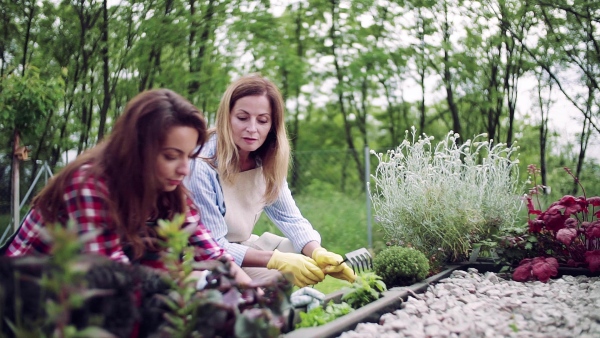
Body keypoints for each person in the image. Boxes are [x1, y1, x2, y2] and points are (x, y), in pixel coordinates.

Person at [4, 88, 252, 286]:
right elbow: (112, 275)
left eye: (189, 156)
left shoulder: (167, 191)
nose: (184, 169)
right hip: (24, 295)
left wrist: (257, 298)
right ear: (137, 150)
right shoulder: (89, 184)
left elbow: (213, 254)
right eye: (170, 156)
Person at [185, 74, 355, 287]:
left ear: (273, 125)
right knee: (267, 279)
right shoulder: (201, 164)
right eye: (242, 117)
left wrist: (317, 252)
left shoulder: (267, 162)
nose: (252, 129)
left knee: (302, 257)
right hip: (200, 260)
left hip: (239, 248)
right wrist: (275, 260)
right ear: (226, 117)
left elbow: (291, 219)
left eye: (262, 120)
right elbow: (213, 246)